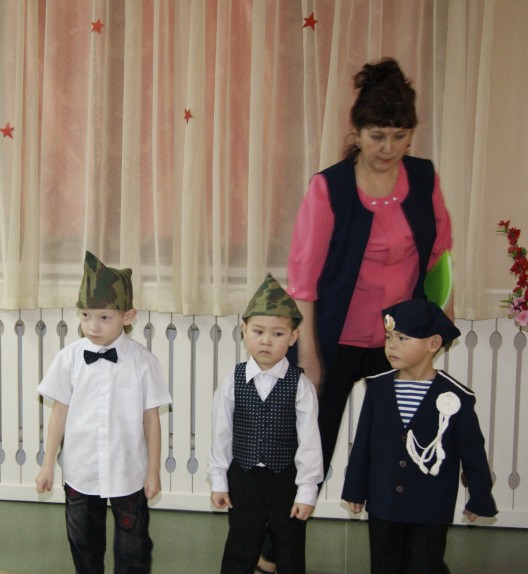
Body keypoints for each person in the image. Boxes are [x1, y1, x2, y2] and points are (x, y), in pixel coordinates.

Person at [287, 57, 454, 479]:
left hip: (400, 342)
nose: (389, 148)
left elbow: (439, 254)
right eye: (377, 136)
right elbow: (303, 281)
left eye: (400, 136)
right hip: (335, 339)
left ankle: (390, 523)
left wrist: (443, 317)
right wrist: (308, 353)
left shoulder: (424, 178)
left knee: (399, 451)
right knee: (311, 450)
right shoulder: (330, 186)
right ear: (357, 133)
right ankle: (288, 524)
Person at [35, 251, 172, 574]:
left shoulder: (143, 362)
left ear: (128, 316)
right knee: (83, 541)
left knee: (133, 546)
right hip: (80, 470)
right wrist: (47, 464)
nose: (92, 326)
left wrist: (153, 471)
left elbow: (151, 420)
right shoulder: (68, 359)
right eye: (85, 315)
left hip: (128, 470)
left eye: (104, 317)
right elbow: (59, 413)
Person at [342, 299, 497, 573]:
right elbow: (364, 442)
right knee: (384, 564)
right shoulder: (378, 388)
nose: (392, 345)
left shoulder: (455, 396)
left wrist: (480, 495)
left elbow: (472, 451)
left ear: (433, 343)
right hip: (383, 504)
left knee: (426, 564)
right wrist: (355, 488)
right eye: (389, 337)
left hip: (431, 506)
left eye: (402, 338)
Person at [208, 274, 322, 574]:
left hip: (285, 480)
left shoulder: (300, 386)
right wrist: (219, 480)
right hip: (244, 479)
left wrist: (306, 490)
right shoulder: (232, 381)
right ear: (244, 331)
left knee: (290, 549)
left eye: (278, 334)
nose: (266, 341)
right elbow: (221, 435)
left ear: (293, 337)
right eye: (258, 331)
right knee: (240, 546)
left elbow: (310, 442)